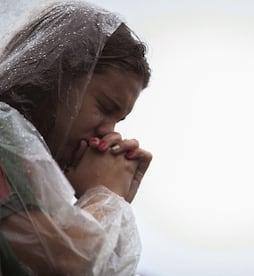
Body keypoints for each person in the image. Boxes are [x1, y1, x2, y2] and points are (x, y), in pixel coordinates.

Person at [0, 1, 152, 275]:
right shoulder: (3, 131)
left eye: (118, 120)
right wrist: (104, 195)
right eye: (105, 107)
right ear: (55, 79)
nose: (110, 133)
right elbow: (66, 261)